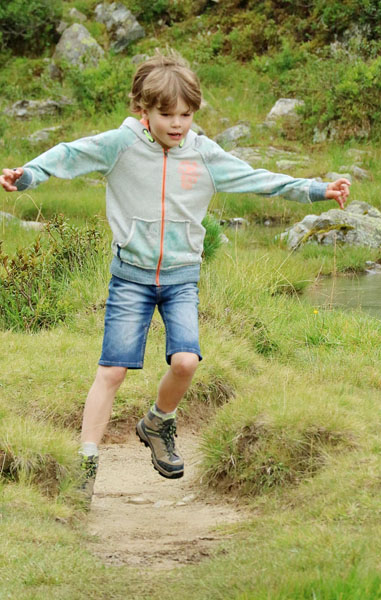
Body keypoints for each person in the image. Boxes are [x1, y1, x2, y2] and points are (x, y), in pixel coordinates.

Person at [0, 51, 350, 499]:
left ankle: (158, 421)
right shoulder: (120, 146)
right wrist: (29, 175)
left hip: (182, 277)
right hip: (130, 277)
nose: (177, 123)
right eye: (166, 114)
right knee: (112, 371)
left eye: (185, 114)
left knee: (186, 362)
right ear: (142, 110)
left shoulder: (204, 155)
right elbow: (71, 154)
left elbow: (260, 179)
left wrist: (319, 189)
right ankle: (84, 461)